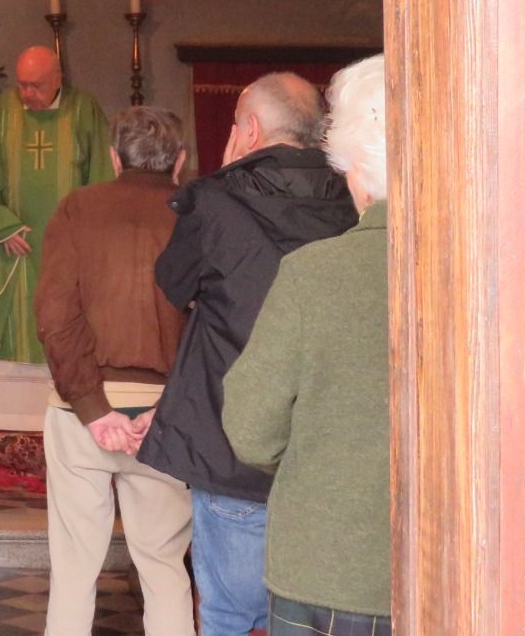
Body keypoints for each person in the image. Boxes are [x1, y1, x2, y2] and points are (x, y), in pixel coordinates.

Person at [135, 72, 358, 636]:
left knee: (231, 618)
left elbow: (171, 282)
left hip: (232, 449)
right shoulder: (355, 196)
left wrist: (222, 180)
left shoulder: (216, 201)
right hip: (327, 455)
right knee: (316, 616)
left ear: (249, 129)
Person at [222, 55, 392, 636]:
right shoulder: (484, 274)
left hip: (326, 568)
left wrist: (320, 464)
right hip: (460, 568)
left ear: (356, 170)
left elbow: (251, 428)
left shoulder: (315, 274)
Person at [36, 106, 194, 636]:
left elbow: (56, 315)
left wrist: (92, 407)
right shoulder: (194, 214)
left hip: (80, 415)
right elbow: (214, 324)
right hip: (168, 416)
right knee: (164, 566)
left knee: (75, 568)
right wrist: (166, 408)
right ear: (179, 161)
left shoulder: (77, 208)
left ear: (113, 157)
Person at [0, 45, 112, 431]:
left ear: (59, 78)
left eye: (36, 86)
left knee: (67, 319)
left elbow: (101, 179)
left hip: (67, 249)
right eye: (22, 85)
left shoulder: (84, 111)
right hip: (16, 248)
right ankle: (6, 416)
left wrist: (84, 238)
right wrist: (1, 226)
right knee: (16, 319)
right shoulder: (1, 113)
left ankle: (65, 415)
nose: (27, 94)